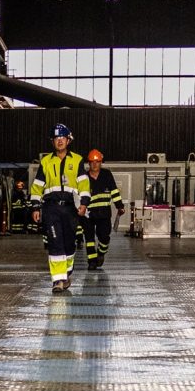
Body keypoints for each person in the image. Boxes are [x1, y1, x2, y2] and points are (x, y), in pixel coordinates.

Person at [30, 123, 88, 291]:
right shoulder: (46, 161)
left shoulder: (77, 160)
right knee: (55, 242)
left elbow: (83, 184)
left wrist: (84, 203)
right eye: (56, 138)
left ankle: (67, 272)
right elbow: (37, 186)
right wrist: (35, 207)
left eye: (62, 137)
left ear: (68, 140)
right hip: (51, 208)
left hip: (70, 209)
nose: (59, 141)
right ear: (52, 141)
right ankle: (58, 280)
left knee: (69, 243)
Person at [81, 148, 121, 271]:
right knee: (89, 239)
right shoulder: (83, 177)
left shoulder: (106, 174)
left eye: (97, 161)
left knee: (104, 237)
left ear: (101, 162)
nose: (94, 164)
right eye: (92, 162)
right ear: (88, 163)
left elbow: (114, 190)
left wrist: (119, 206)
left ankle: (101, 253)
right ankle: (92, 261)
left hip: (104, 213)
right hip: (89, 214)